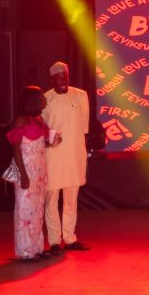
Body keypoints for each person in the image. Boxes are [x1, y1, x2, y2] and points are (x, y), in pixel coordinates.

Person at [42, 62, 90, 255]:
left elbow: (83, 128)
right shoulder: (45, 99)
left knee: (71, 200)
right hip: (53, 155)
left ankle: (70, 238)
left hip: (75, 154)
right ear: (51, 80)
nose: (63, 81)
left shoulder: (81, 95)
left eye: (65, 77)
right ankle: (54, 241)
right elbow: (42, 129)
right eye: (58, 78)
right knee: (51, 199)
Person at [8, 86, 51, 261]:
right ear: (33, 100)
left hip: (39, 169)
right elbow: (16, 150)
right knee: (25, 210)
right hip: (26, 168)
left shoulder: (37, 119)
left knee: (38, 208)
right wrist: (23, 174)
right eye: (41, 97)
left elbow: (39, 143)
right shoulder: (21, 121)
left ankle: (36, 247)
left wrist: (52, 141)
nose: (45, 99)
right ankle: (25, 250)